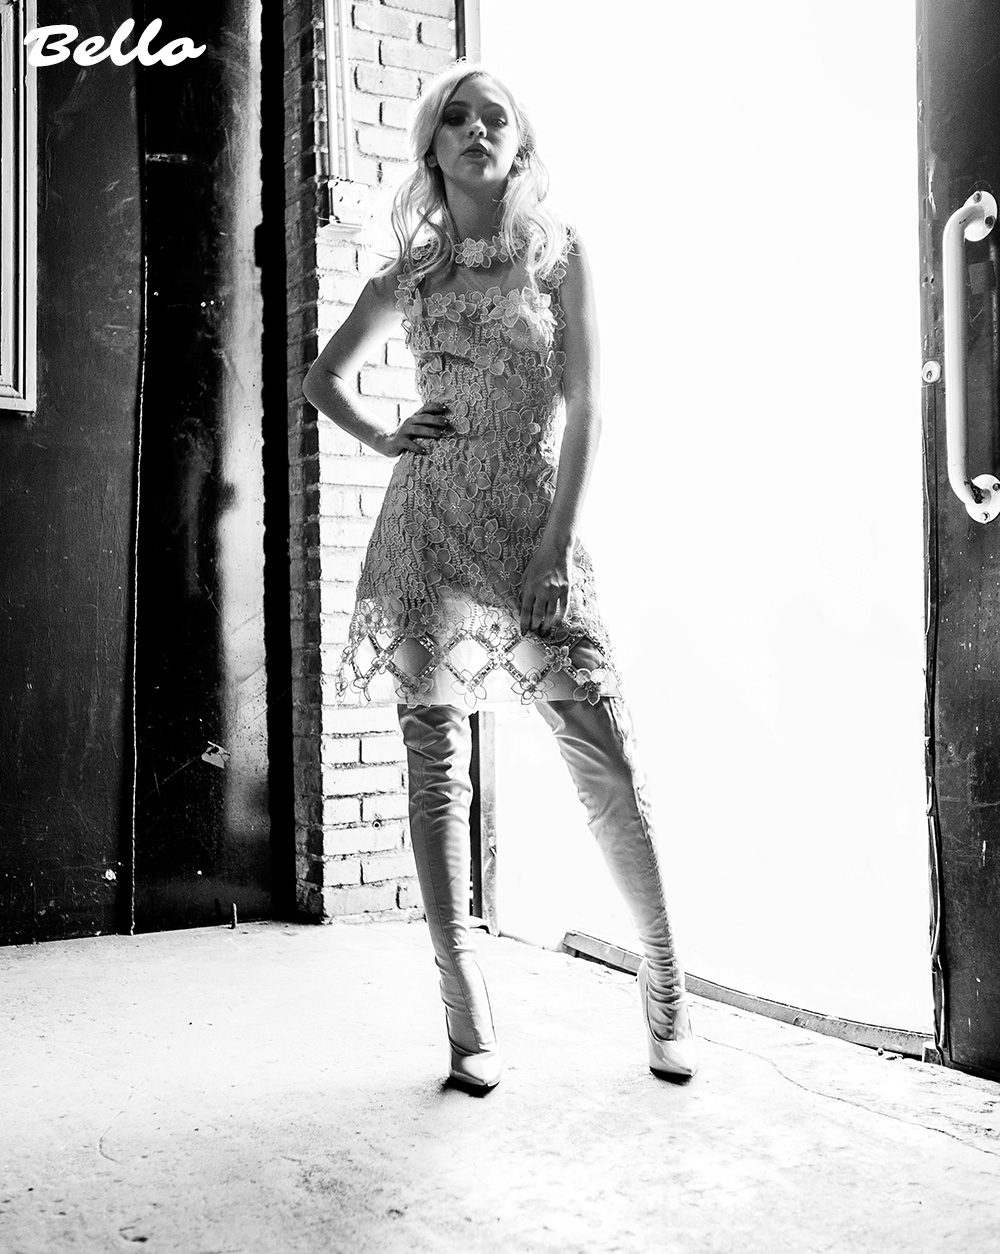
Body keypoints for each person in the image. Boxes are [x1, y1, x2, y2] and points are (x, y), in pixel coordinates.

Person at [302, 60, 699, 1092]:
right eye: (457, 118)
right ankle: (463, 1011)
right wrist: (385, 437)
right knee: (435, 764)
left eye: (496, 118)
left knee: (602, 760)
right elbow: (320, 377)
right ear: (433, 146)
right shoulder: (411, 276)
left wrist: (556, 546)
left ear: (519, 145)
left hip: (531, 525)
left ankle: (665, 985)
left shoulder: (558, 253)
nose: (477, 130)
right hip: (427, 528)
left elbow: (588, 404)